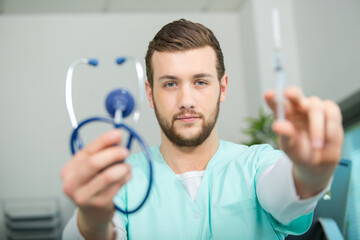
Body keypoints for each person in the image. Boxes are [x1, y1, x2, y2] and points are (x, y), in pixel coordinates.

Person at [62, 19, 344, 239]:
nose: (186, 101)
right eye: (170, 84)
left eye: (200, 82)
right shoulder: (122, 179)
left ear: (222, 88)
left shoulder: (257, 164)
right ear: (150, 94)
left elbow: (286, 193)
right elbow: (97, 231)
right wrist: (92, 220)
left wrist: (310, 172)